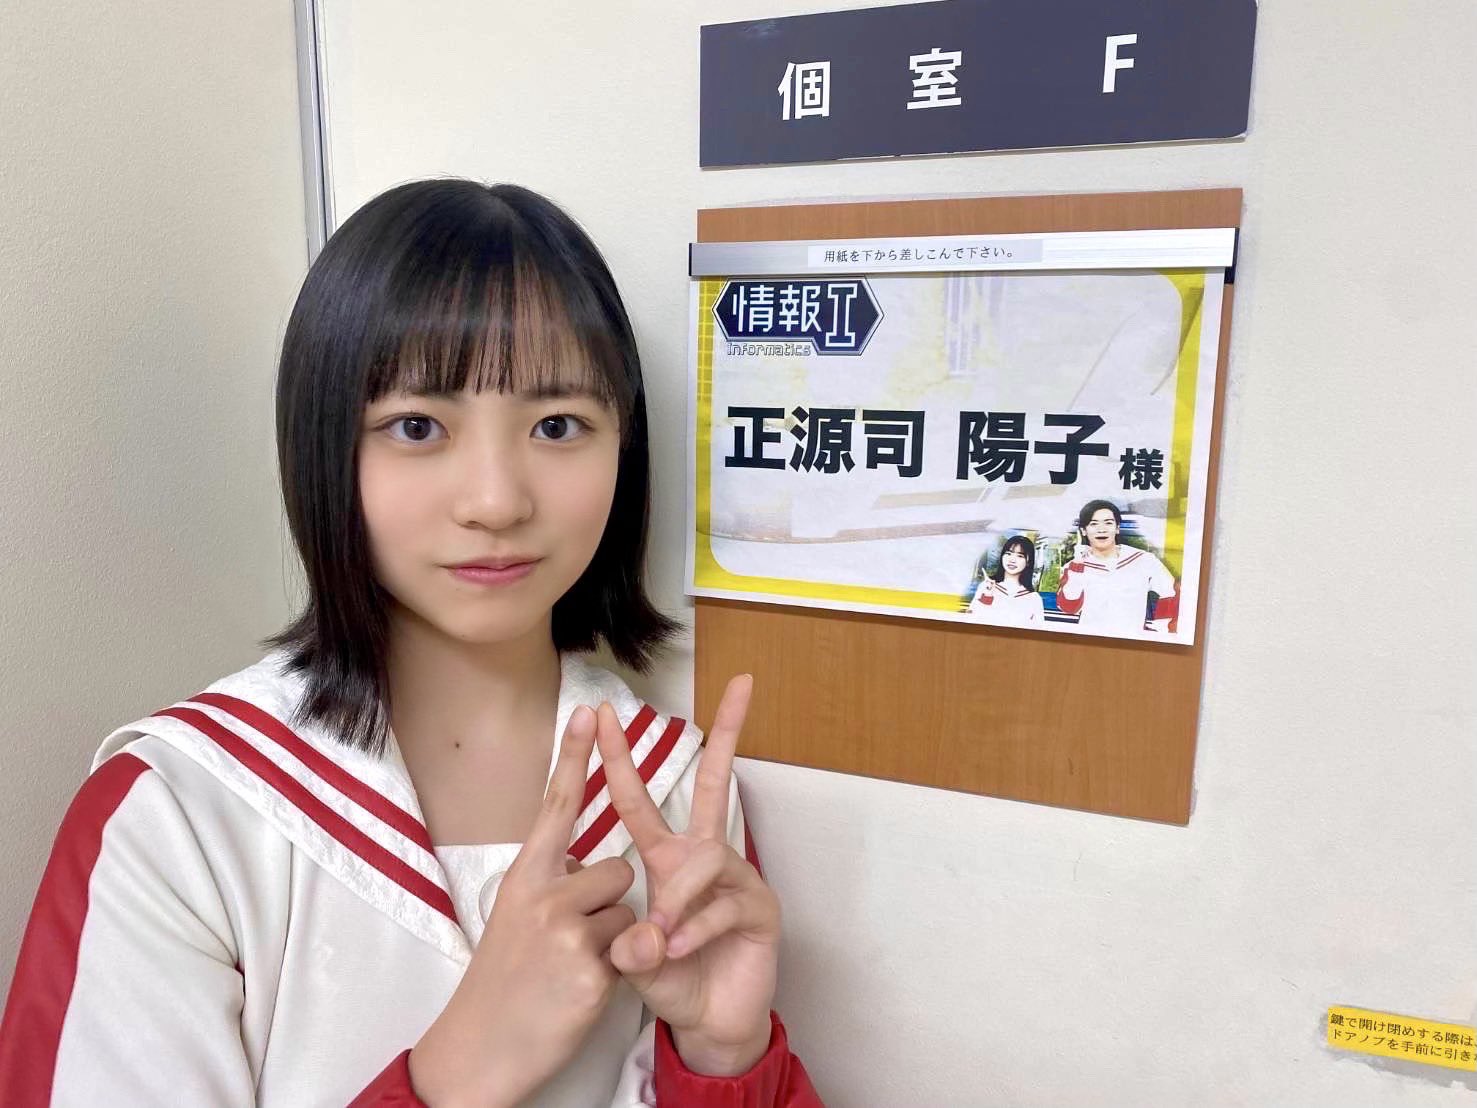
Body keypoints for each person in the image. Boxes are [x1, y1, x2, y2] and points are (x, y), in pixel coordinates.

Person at [0, 182, 821, 1106]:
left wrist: (723, 1059)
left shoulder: (675, 795)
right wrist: (454, 1073)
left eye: (557, 426)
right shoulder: (183, 809)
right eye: (416, 427)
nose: (496, 500)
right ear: (322, 450)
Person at [1053, 499, 1177, 635]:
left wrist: (1162, 630)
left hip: (1132, 641)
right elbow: (1068, 607)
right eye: (1093, 524)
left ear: (1117, 528)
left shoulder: (1144, 560)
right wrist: (1078, 565)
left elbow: (1172, 592)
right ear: (1083, 531)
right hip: (1090, 641)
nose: (1102, 529)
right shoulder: (1073, 568)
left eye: (1108, 523)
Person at [965, 535, 1044, 626]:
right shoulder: (986, 587)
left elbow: (1039, 630)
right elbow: (971, 621)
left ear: (1028, 562)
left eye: (1020, 556)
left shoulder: (1034, 599)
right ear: (1002, 556)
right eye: (1008, 553)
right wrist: (987, 597)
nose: (1012, 560)